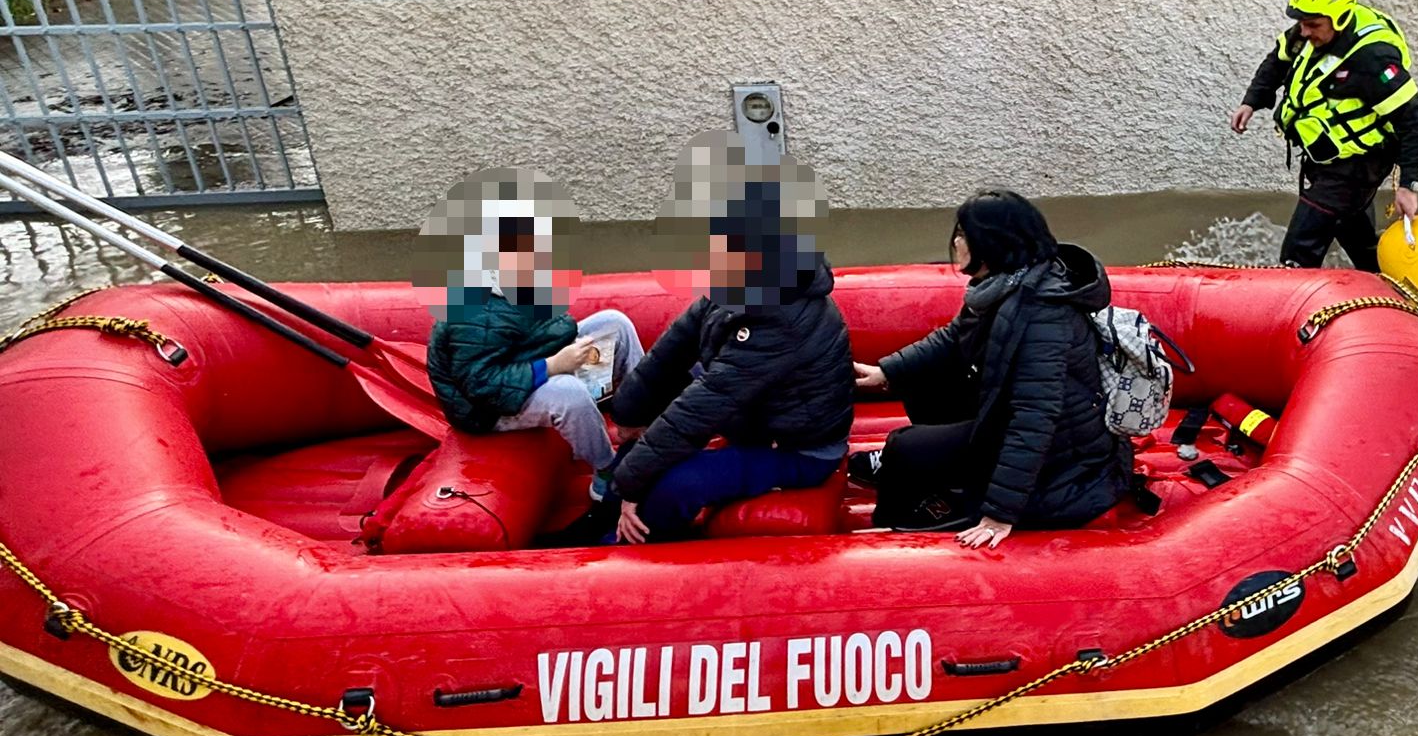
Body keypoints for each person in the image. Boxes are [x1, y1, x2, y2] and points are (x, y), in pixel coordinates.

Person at [850, 191, 1128, 549]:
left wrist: (1000, 512)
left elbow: (1035, 418)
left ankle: (900, 524)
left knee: (903, 447)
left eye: (963, 234)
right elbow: (954, 338)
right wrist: (887, 372)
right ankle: (933, 471)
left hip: (1061, 463)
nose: (956, 242)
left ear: (990, 243)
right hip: (1003, 411)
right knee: (920, 384)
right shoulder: (1003, 284)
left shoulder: (1042, 314)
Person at [605, 181, 853, 545]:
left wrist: (631, 485)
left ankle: (627, 549)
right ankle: (601, 515)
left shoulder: (780, 319)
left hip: (798, 450)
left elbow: (707, 403)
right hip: (757, 417)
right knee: (644, 438)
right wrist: (628, 415)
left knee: (677, 485)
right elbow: (671, 352)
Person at [1231, 0, 1418, 272]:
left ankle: (1292, 289)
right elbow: (1277, 61)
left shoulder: (1372, 58)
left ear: (1338, 18)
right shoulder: (1308, 32)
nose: (1304, 31)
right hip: (1327, 158)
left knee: (1300, 247)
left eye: (1312, 25)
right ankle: (1382, 278)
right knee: (1355, 235)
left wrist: (1408, 185)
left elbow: (1415, 119)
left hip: (1359, 165)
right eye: (1301, 24)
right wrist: (1252, 101)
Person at [427, 208, 644, 471]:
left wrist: (571, 353)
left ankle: (638, 419)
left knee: (613, 323)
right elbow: (481, 385)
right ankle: (606, 471)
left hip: (525, 370)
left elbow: (547, 332)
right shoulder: (472, 313)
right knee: (569, 392)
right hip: (487, 410)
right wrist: (553, 366)